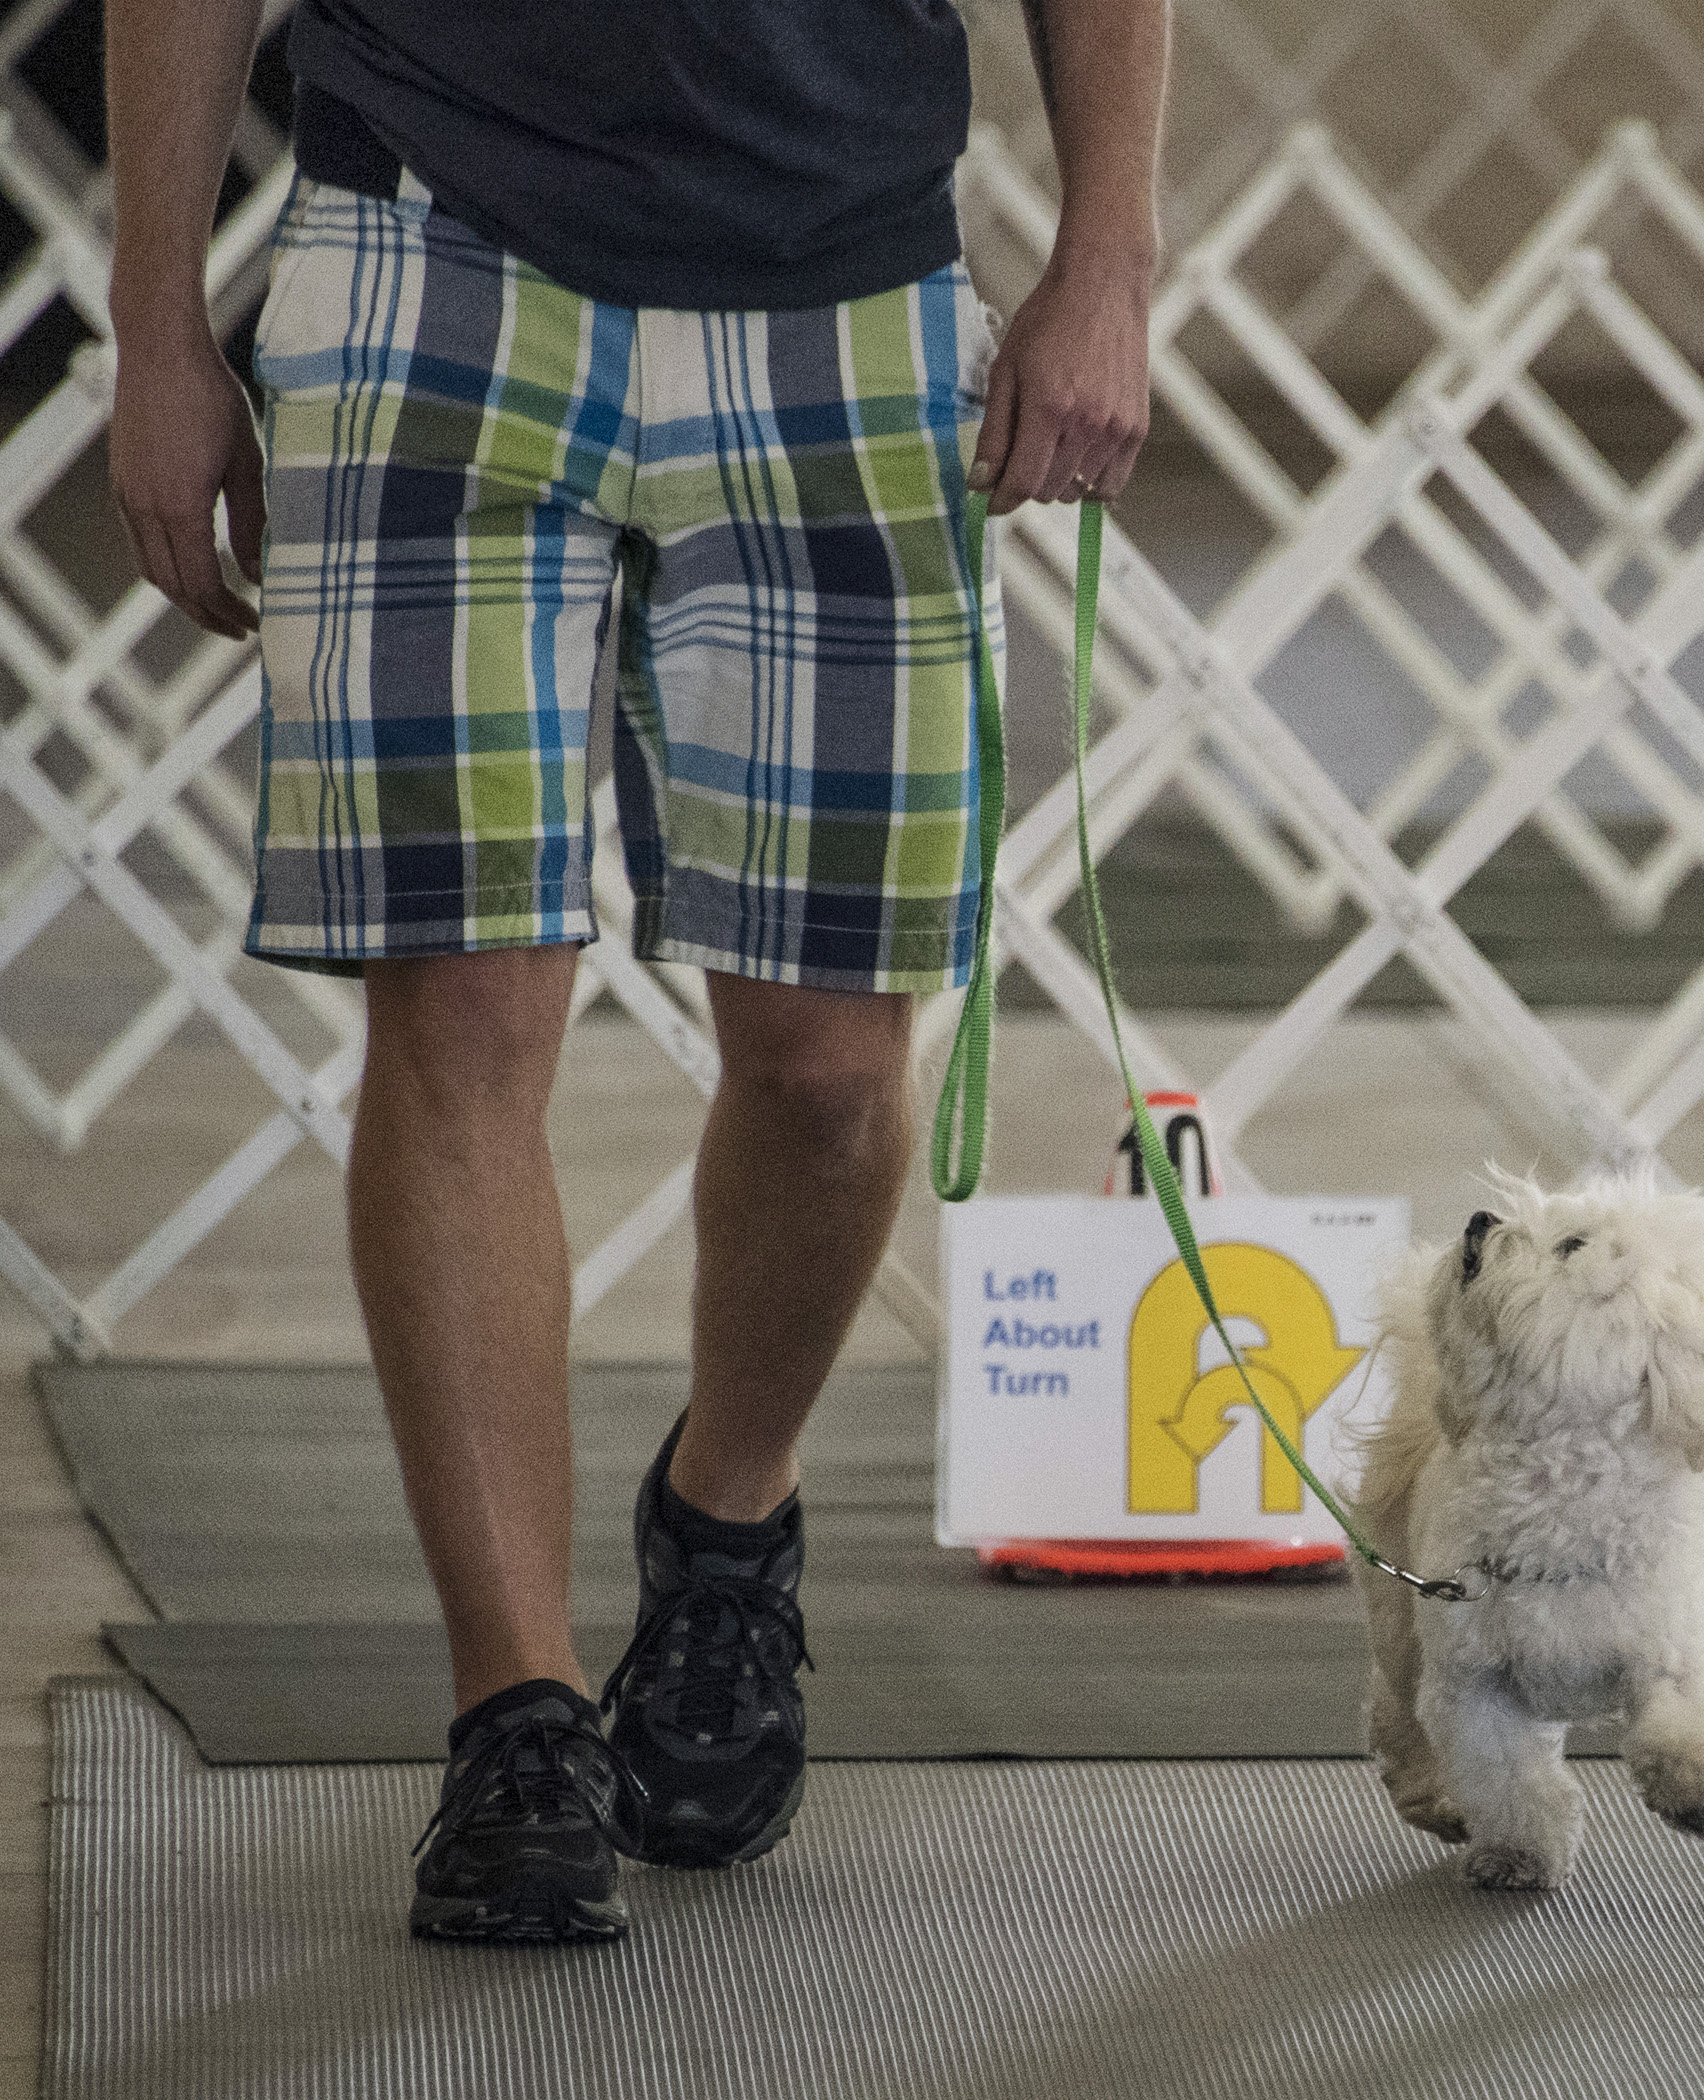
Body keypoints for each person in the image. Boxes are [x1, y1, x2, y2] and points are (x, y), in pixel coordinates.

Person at [106, 0, 1165, 1942]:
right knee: (460, 1004)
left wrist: (1109, 255)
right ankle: (512, 1715)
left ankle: (727, 1528)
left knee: (834, 1064)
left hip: (849, 275)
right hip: (420, 248)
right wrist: (156, 324)